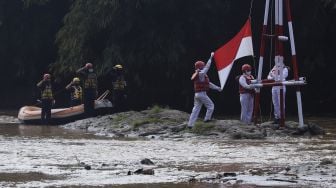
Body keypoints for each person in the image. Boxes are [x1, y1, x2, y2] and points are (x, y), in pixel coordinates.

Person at [187, 52, 222, 128]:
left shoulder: (199, 74)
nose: (204, 67)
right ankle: (207, 119)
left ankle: (190, 125)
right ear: (200, 67)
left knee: (195, 109)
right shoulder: (201, 74)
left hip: (197, 94)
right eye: (203, 66)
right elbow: (207, 67)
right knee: (211, 106)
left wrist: (218, 88)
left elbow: (209, 84)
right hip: (202, 94)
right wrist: (211, 57)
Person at [267, 59, 288, 124]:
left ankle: (282, 117)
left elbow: (282, 77)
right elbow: (268, 76)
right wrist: (272, 77)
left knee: (281, 102)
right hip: (274, 86)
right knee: (275, 102)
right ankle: (277, 117)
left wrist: (273, 77)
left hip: (281, 86)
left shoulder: (285, 68)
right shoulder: (274, 67)